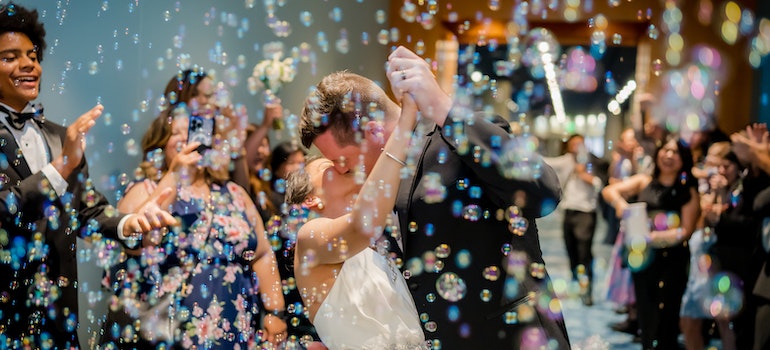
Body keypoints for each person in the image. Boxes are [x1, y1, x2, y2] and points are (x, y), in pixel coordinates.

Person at [299, 46, 570, 349]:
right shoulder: (372, 197)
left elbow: (544, 191)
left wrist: (444, 108)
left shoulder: (455, 138)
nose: (345, 172)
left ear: (373, 133)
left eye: (343, 161)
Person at [0, 4, 177, 348]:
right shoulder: (66, 151)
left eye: (32, 55)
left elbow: (88, 212)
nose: (28, 64)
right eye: (10, 57)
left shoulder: (58, 136)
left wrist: (130, 224)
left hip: (60, 322)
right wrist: (62, 166)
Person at [99, 71, 287, 349]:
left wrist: (275, 312)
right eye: (177, 132)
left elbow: (261, 252)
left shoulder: (233, 192)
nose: (189, 137)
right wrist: (176, 174)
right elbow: (133, 242)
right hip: (167, 334)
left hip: (232, 330)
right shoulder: (146, 189)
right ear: (160, 145)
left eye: (195, 129)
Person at [286, 94, 426, 349]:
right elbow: (361, 224)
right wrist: (404, 124)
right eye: (328, 166)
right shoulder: (309, 238)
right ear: (310, 199)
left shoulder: (379, 242)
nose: (342, 167)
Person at [602, 137, 700, 349]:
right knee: (646, 311)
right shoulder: (644, 181)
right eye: (665, 150)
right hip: (643, 257)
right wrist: (621, 204)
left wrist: (654, 238)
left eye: (675, 153)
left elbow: (686, 230)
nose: (668, 156)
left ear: (684, 160)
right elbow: (609, 191)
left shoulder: (688, 191)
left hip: (672, 259)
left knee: (667, 314)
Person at [543, 134, 608, 306]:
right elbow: (547, 161)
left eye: (580, 143)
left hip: (586, 211)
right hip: (569, 210)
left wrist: (586, 176)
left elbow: (601, 183)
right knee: (570, 249)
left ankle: (587, 290)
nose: (576, 147)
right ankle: (576, 283)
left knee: (584, 252)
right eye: (573, 144)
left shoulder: (593, 161)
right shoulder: (566, 161)